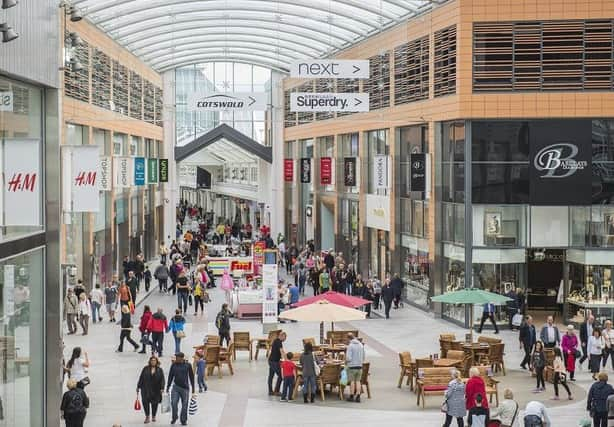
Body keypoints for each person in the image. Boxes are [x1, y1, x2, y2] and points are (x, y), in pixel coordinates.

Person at [166, 352, 196, 426]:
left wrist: (193, 389)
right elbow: (170, 376)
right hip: (175, 387)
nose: (176, 358)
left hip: (185, 388)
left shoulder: (188, 365)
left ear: (182, 358)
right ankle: (174, 416)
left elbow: (191, 377)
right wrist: (168, 386)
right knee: (173, 403)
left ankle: (183, 420)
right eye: (176, 357)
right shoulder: (173, 365)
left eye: (177, 357)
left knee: (185, 405)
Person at [137, 356, 165, 424]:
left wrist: (162, 388)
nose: (153, 362)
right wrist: (138, 386)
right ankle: (147, 416)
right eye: (152, 360)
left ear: (156, 362)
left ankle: (153, 416)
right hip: (145, 389)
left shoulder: (159, 370)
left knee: (155, 403)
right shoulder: (145, 369)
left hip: (156, 389)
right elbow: (141, 377)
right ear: (150, 361)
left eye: (154, 360)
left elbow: (162, 380)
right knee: (145, 402)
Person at [345, 333, 365, 402]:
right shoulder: (360, 345)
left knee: (352, 381)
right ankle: (358, 396)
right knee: (358, 381)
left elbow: (348, 358)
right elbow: (363, 356)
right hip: (359, 366)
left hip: (352, 366)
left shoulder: (350, 346)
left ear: (348, 338)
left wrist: (346, 361)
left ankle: (351, 395)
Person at [268, 331, 286, 396]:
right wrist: (286, 360)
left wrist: (281, 357)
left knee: (271, 376)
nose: (285, 339)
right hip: (274, 362)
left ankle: (270, 391)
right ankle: (277, 391)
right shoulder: (279, 342)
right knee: (281, 376)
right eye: (285, 337)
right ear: (282, 336)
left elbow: (275, 351)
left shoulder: (275, 340)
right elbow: (282, 351)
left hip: (271, 360)